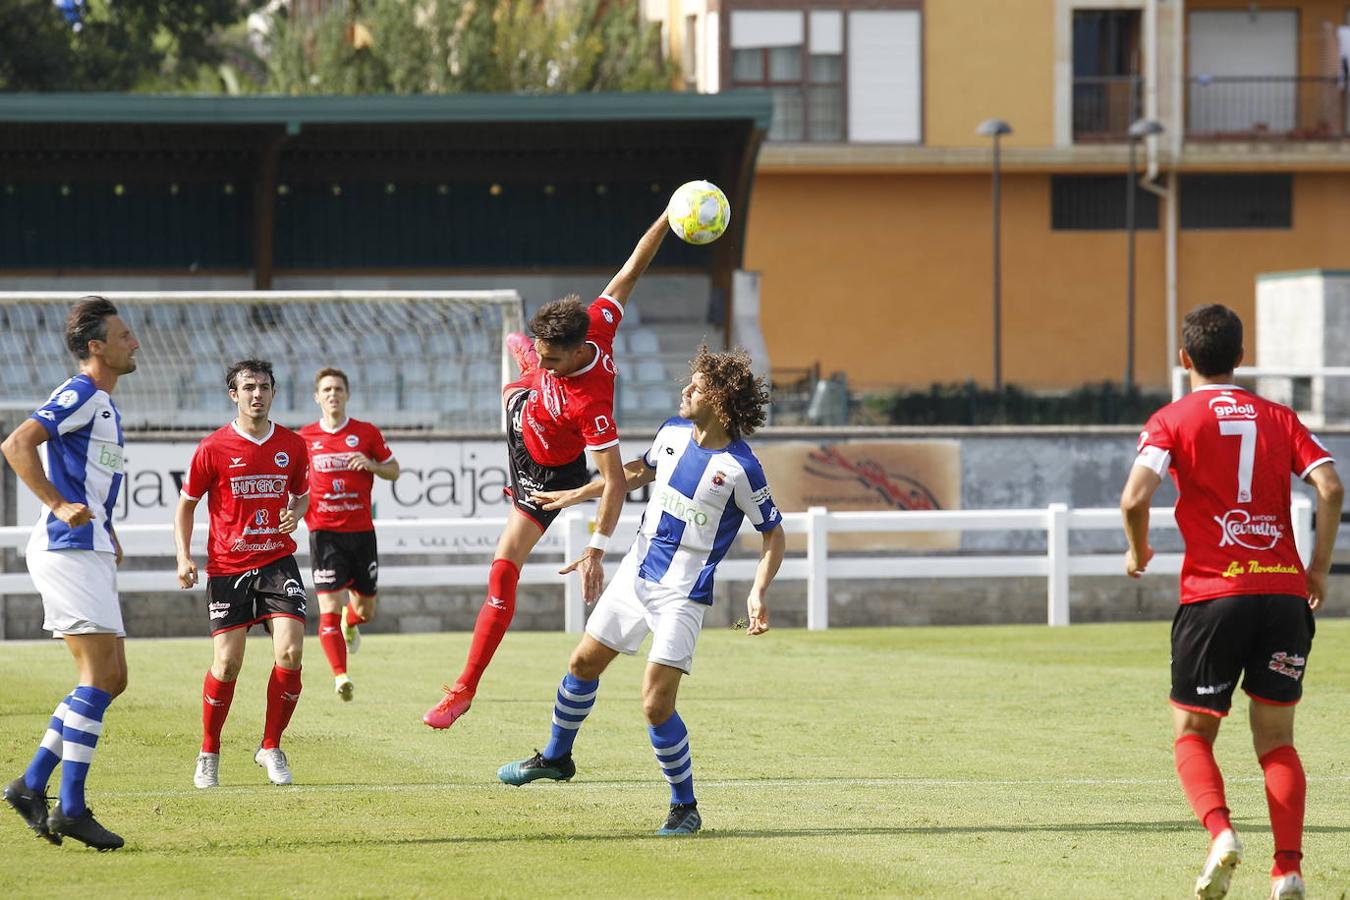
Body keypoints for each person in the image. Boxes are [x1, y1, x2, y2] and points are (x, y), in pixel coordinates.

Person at [497, 347, 784, 835]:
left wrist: (758, 590)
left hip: (682, 596)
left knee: (655, 704)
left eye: (695, 386)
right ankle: (555, 757)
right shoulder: (671, 433)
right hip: (636, 575)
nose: (685, 391)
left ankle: (684, 806)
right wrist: (575, 494)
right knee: (582, 664)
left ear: (719, 398)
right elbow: (632, 473)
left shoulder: (740, 468)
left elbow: (773, 532)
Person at [1120, 304, 1342, 900]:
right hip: (1283, 593)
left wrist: (1138, 550)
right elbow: (1330, 485)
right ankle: (1288, 870)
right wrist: (1316, 566)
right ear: (1241, 358)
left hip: (1215, 594)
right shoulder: (1279, 416)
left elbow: (1133, 497)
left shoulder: (1170, 419)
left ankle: (1221, 834)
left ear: (1185, 358)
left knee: (1192, 734)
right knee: (1276, 739)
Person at [423, 212, 672, 729]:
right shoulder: (596, 322)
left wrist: (595, 548)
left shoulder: (592, 406)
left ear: (579, 351)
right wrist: (668, 217)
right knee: (524, 378)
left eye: (551, 358)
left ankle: (464, 689)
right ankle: (523, 364)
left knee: (501, 570)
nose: (548, 360)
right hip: (528, 408)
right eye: (542, 353)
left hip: (546, 472)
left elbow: (618, 481)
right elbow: (633, 266)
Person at [1, 297, 138, 851]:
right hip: (67, 547)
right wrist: (58, 505)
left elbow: (91, 480)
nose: (136, 342)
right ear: (96, 347)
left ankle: (32, 784)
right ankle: (71, 806)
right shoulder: (80, 391)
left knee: (113, 678)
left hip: (90, 545)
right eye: (124, 335)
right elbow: (16, 444)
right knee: (97, 676)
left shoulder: (103, 404)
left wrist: (106, 528)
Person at [174, 359, 311, 789]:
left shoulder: (293, 443)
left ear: (273, 393)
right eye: (249, 387)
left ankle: (271, 746)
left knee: (290, 653)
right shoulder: (213, 447)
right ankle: (209, 751)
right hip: (228, 566)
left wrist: (295, 515)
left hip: (277, 561)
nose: (257, 394)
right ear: (233, 394)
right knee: (228, 663)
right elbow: (186, 505)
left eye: (264, 387)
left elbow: (302, 497)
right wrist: (183, 556)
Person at [298, 367, 399, 702]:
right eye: (326, 389)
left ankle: (351, 621)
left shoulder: (366, 433)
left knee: (366, 610)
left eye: (338, 389)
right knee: (328, 604)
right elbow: (294, 483)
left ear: (347, 395)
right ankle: (340, 675)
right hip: (324, 533)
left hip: (361, 533)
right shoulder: (305, 438)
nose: (332, 394)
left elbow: (394, 470)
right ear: (317, 397)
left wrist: (371, 465)